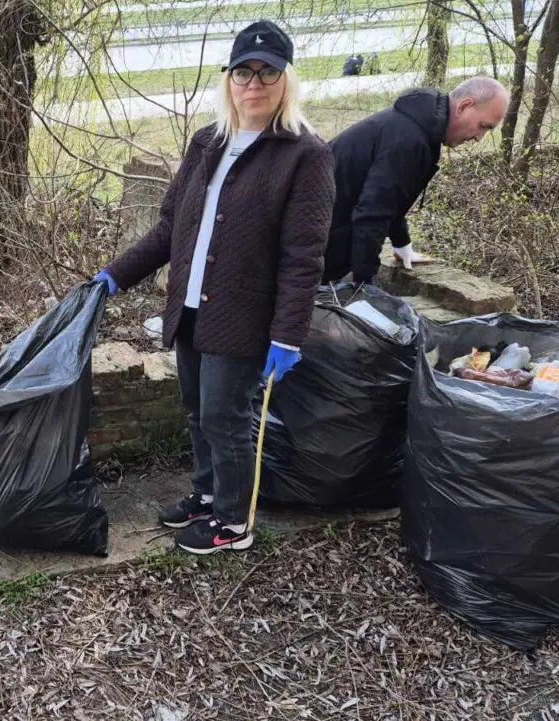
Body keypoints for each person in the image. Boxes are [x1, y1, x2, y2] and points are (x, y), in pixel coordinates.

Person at [94, 21, 335, 555]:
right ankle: (206, 494)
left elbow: (304, 258)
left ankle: (233, 522)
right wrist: (116, 274)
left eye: (267, 71)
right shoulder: (208, 142)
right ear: (229, 80)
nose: (254, 82)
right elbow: (169, 227)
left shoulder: (305, 156)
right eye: (243, 71)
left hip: (245, 316)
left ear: (285, 79)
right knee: (198, 407)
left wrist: (288, 336)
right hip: (191, 306)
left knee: (228, 419)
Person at [322, 76, 509, 285]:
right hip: (314, 242)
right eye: (483, 126)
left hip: (321, 232)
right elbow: (372, 214)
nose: (479, 137)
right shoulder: (409, 140)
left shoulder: (418, 127)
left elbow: (391, 197)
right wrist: (364, 286)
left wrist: (402, 243)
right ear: (464, 106)